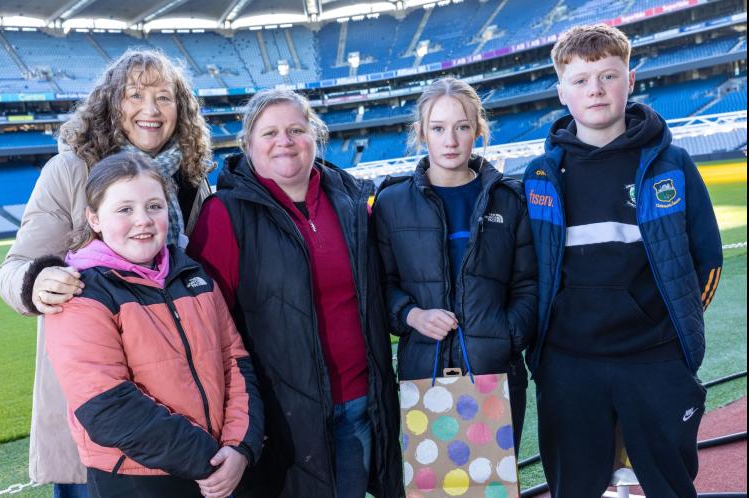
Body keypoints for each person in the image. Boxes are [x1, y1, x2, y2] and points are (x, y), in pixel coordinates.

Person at [0, 50, 213, 497]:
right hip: (99, 408)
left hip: (178, 409)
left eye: (164, 97)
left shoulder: (192, 179)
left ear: (182, 109)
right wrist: (34, 283)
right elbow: (14, 268)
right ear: (112, 103)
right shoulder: (72, 171)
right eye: (135, 95)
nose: (150, 110)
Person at [523, 24, 723, 497]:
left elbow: (707, 260)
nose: (595, 89)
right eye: (580, 80)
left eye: (608, 76)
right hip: (569, 366)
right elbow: (528, 272)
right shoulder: (539, 176)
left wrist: (673, 331)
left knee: (667, 486)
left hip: (653, 359)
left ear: (629, 81)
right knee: (575, 488)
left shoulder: (671, 164)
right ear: (561, 92)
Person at [188, 89, 403, 498]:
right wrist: (238, 422)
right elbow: (207, 332)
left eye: (295, 129)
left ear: (314, 137)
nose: (284, 141)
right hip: (284, 420)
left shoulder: (352, 200)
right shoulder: (225, 215)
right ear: (248, 145)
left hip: (360, 405)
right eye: (269, 133)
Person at [40, 152, 262, 498]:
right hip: (139, 479)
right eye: (125, 209)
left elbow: (236, 362)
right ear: (94, 218)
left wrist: (239, 447)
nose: (143, 220)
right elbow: (106, 407)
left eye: (154, 206)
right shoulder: (80, 292)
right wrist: (210, 461)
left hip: (218, 469)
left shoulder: (193, 274)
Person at [372, 77, 537, 454]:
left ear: (478, 130)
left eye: (462, 127)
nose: (450, 140)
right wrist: (412, 315)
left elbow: (528, 284)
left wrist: (505, 335)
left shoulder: (508, 200)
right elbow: (380, 284)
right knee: (435, 486)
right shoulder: (391, 203)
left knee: (492, 485)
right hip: (422, 375)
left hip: (496, 372)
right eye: (438, 128)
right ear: (421, 133)